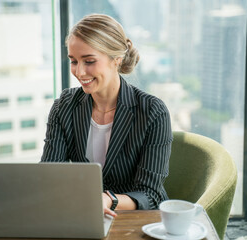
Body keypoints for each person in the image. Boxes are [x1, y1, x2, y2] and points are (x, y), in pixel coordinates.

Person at [41, 14, 173, 217]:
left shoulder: (152, 112)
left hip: (134, 219)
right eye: (74, 61)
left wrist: (108, 199)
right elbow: (50, 176)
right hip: (82, 215)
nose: (80, 72)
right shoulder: (64, 107)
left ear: (117, 60)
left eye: (89, 61)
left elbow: (151, 194)